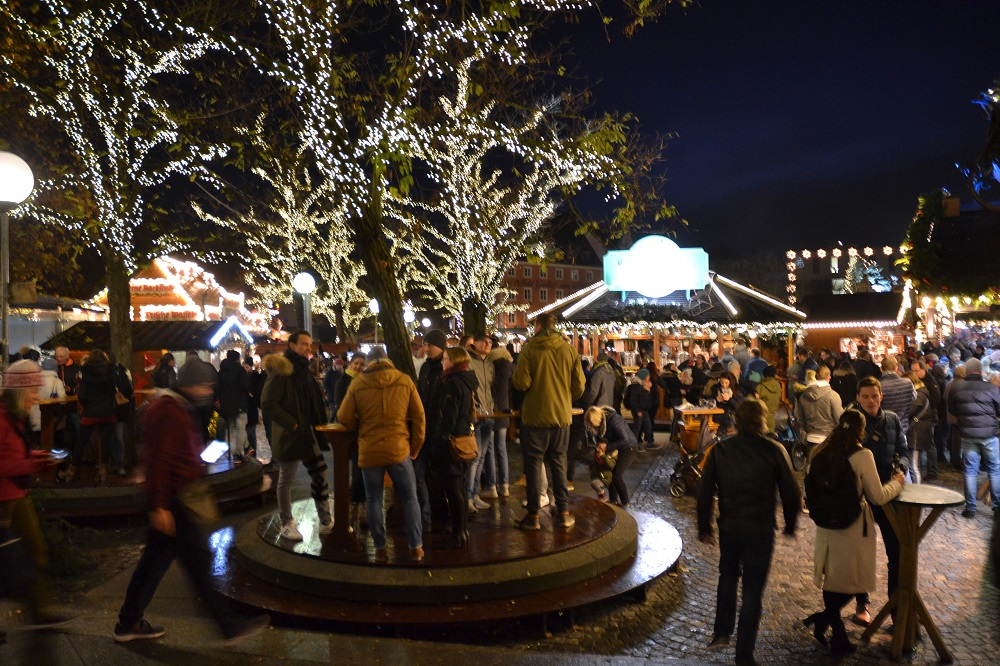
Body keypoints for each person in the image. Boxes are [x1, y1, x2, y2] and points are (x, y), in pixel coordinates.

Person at [113, 358, 269, 644]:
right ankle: (228, 624)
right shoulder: (171, 412)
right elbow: (162, 461)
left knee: (155, 563)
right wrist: (160, 506)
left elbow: (166, 456)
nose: (209, 390)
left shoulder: (171, 407)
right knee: (196, 562)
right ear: (191, 385)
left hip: (171, 497)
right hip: (174, 499)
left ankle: (128, 621)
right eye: (205, 385)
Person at [697, 399, 800, 666]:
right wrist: (790, 524)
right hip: (760, 528)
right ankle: (744, 654)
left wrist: (704, 527)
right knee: (753, 591)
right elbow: (791, 491)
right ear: (762, 420)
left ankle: (721, 631)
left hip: (730, 526)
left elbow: (705, 491)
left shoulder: (721, 450)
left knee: (728, 576)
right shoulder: (774, 449)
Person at [803, 410, 905, 656]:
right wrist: (897, 483)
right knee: (853, 582)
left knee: (834, 579)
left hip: (826, 525)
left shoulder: (819, 451)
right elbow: (877, 496)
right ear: (862, 430)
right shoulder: (862, 455)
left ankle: (834, 630)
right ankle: (828, 621)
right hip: (853, 526)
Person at [0, 360, 76, 628]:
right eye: (33, 391)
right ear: (20, 391)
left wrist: (38, 456)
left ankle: (40, 611)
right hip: (4, 499)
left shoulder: (14, 417)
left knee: (36, 550)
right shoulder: (2, 419)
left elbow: (14, 455)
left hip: (16, 494)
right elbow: (4, 463)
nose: (36, 397)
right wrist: (36, 464)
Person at [337, 347, 426, 562]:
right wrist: (414, 447)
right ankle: (416, 547)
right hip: (399, 449)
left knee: (374, 499)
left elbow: (343, 416)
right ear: (388, 360)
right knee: (410, 498)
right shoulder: (404, 380)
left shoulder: (357, 383)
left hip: (370, 450)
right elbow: (419, 417)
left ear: (368, 362)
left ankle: (380, 547)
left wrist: (359, 427)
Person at [512, 313, 586, 530]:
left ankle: (533, 516)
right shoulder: (568, 349)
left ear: (538, 326)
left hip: (535, 417)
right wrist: (563, 398)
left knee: (534, 465)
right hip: (561, 417)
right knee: (559, 462)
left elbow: (522, 383)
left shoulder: (529, 349)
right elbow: (579, 386)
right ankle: (563, 512)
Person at [261, 331, 332, 541]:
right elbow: (268, 403)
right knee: (287, 479)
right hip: (290, 435)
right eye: (303, 344)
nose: (308, 348)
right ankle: (286, 523)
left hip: (307, 433)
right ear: (291, 345)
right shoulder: (282, 371)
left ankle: (325, 520)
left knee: (320, 473)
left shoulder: (304, 371)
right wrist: (291, 423)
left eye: (309, 345)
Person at [851, 375, 910, 625]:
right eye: (865, 396)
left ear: (881, 396)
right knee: (860, 552)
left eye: (874, 396)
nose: (870, 401)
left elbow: (904, 451)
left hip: (887, 492)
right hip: (861, 495)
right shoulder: (851, 422)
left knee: (895, 552)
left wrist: (902, 469)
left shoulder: (892, 420)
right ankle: (862, 603)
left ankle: (895, 609)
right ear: (858, 398)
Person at [425, 346, 477, 548]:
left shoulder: (453, 383)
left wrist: (439, 441)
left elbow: (449, 417)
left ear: (454, 361)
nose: (442, 362)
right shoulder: (465, 380)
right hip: (463, 439)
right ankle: (462, 531)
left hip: (452, 443)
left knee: (454, 489)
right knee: (460, 488)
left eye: (445, 359)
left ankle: (458, 534)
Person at [947, 357, 1000, 518]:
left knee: (970, 471)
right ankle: (997, 508)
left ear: (967, 371)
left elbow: (953, 410)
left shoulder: (957, 388)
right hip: (989, 434)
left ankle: (970, 508)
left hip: (968, 435)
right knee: (994, 469)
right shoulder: (991, 388)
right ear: (980, 371)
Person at [416, 329, 447, 531]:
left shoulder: (446, 368)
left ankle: (442, 517)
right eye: (425, 344)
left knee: (440, 476)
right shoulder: (426, 368)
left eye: (430, 345)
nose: (426, 348)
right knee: (420, 475)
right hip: (423, 429)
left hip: (440, 431)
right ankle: (426, 518)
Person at [584, 406, 638, 506]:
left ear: (596, 419)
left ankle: (626, 502)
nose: (592, 426)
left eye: (592, 424)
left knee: (616, 475)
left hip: (628, 448)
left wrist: (607, 446)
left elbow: (625, 440)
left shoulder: (614, 420)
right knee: (609, 472)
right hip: (617, 447)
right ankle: (613, 500)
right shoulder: (601, 424)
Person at [466, 334, 496, 509]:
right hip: (476, 416)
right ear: (474, 343)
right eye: (484, 341)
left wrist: (491, 405)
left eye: (490, 342)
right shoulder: (469, 361)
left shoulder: (490, 362)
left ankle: (475, 494)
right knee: (474, 458)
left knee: (482, 456)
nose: (487, 344)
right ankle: (468, 496)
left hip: (489, 415)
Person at [486, 342, 514, 498]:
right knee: (501, 449)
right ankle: (505, 485)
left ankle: (491, 486)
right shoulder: (509, 367)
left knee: (490, 450)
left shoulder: (490, 366)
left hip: (489, 411)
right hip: (504, 410)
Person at [796, 365, 843, 449]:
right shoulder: (833, 395)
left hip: (810, 438)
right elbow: (839, 419)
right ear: (829, 377)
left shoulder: (803, 396)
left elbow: (800, 419)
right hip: (828, 438)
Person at [217, 349, 251, 463]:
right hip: (239, 403)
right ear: (237, 359)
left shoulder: (221, 371)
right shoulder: (239, 370)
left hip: (226, 404)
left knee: (233, 428)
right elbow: (245, 385)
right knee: (241, 428)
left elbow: (218, 387)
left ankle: (246, 447)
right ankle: (237, 453)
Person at [904, 370, 933, 484]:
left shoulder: (918, 395)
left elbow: (911, 410)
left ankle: (917, 493)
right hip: (919, 431)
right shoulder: (921, 392)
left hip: (917, 432)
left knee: (913, 465)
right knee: (915, 464)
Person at [30, 357, 66, 446]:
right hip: (52, 419)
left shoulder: (34, 381)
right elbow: (63, 401)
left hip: (35, 417)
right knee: (55, 442)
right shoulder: (57, 381)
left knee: (39, 442)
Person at [626, 369, 655, 449]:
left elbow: (645, 398)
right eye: (648, 375)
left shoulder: (643, 385)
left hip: (644, 409)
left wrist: (647, 390)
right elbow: (633, 400)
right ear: (644, 376)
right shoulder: (636, 386)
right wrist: (637, 410)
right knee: (637, 427)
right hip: (639, 410)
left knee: (648, 425)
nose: (649, 376)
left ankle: (650, 441)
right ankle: (633, 444)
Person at [755, 366, 782, 433]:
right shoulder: (778, 387)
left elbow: (752, 402)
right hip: (772, 418)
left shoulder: (760, 387)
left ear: (764, 375)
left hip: (761, 419)